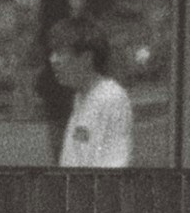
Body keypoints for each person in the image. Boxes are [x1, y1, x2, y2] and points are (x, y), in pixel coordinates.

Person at [46, 13, 134, 168]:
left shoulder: (111, 98)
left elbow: (115, 164)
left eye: (60, 53)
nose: (53, 60)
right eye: (52, 53)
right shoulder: (80, 96)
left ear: (86, 58)